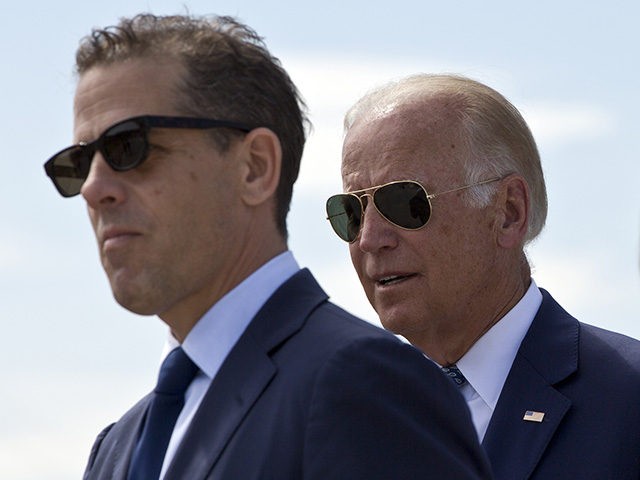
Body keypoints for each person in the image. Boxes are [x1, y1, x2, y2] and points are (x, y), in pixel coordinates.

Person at [43, 14, 493, 480]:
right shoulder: (117, 449)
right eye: (79, 162)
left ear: (254, 167)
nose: (95, 188)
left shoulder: (362, 386)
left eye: (128, 146)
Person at [326, 73, 640, 480]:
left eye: (403, 202)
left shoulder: (627, 399)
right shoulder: (344, 423)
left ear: (508, 212)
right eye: (352, 211)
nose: (369, 239)